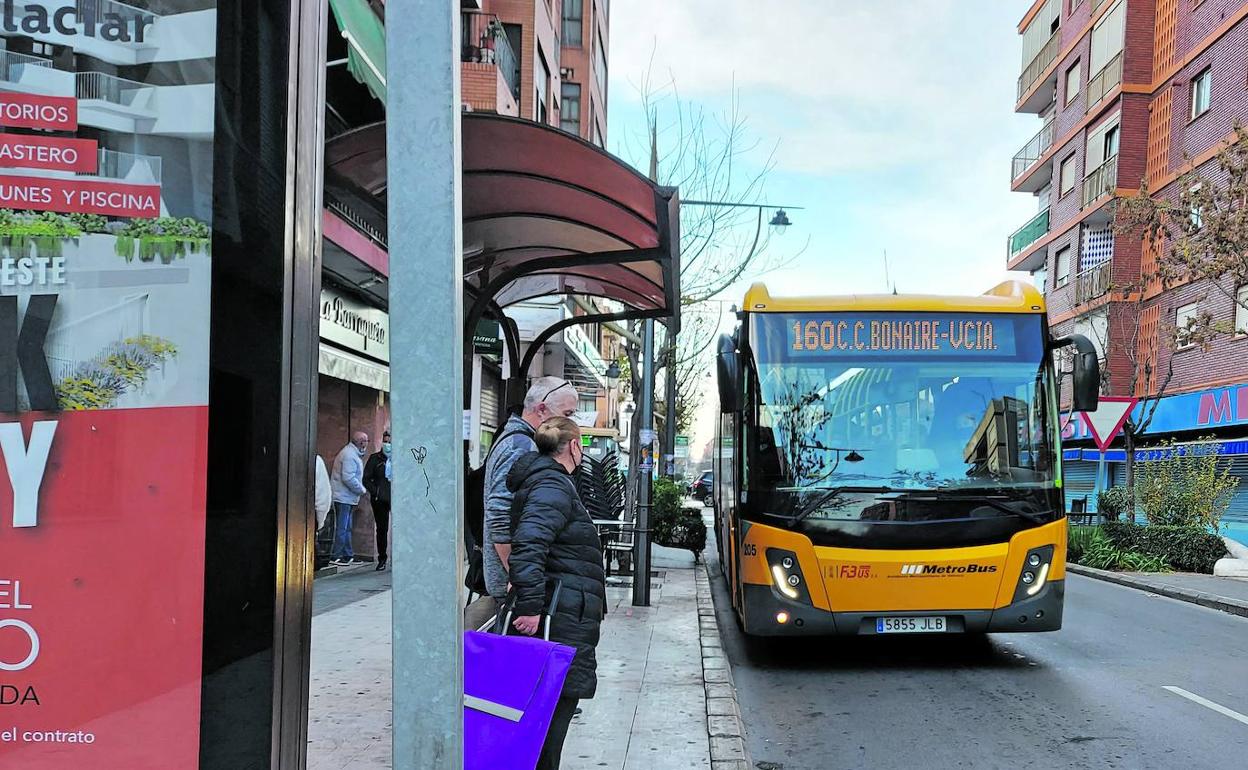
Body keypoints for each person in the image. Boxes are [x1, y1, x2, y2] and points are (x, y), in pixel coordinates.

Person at [507, 417, 605, 770]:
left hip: (560, 612)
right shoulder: (554, 486)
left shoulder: (547, 482)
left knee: (543, 721)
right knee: (548, 727)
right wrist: (531, 606)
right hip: (556, 618)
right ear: (574, 447)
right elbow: (530, 544)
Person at [482, 377, 580, 601]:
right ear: (542, 409)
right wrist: (520, 579)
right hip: (515, 586)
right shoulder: (521, 446)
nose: (572, 424)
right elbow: (498, 514)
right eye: (567, 414)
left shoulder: (520, 441)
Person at [330, 431, 370, 566]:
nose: (367, 444)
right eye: (365, 441)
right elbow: (348, 478)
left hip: (347, 497)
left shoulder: (351, 453)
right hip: (343, 497)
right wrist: (361, 490)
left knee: (347, 527)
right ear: (360, 442)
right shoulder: (349, 455)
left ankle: (347, 554)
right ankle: (337, 555)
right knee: (343, 527)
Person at [364, 431, 393, 571]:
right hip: (379, 499)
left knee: (399, 528)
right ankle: (382, 558)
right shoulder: (375, 459)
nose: (387, 444)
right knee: (382, 529)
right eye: (385, 441)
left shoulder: (399, 458)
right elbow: (366, 478)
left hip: (396, 498)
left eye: (390, 442)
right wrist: (376, 492)